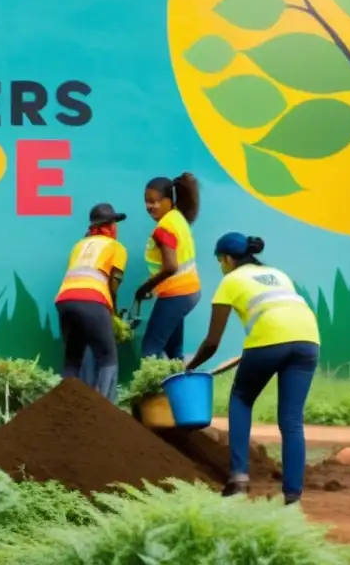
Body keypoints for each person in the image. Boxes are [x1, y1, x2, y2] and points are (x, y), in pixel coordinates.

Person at [186, 233, 320, 505]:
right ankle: (293, 498)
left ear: (227, 258)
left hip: (270, 339)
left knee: (242, 398)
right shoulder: (278, 274)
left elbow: (212, 342)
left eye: (219, 260)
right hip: (308, 339)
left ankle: (239, 479)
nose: (220, 265)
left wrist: (191, 366)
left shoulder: (230, 280)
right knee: (292, 420)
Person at [55, 203, 128, 401]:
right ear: (111, 226)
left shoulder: (78, 246)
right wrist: (112, 314)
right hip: (94, 301)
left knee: (72, 360)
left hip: (64, 301)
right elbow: (114, 283)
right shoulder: (116, 247)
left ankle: (62, 408)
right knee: (108, 358)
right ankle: (104, 412)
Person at [135, 173, 201, 359]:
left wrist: (145, 287)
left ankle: (150, 387)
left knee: (149, 350)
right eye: (147, 202)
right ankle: (178, 387)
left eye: (154, 201)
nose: (150, 206)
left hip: (176, 294)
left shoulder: (165, 227)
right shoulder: (178, 218)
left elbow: (171, 266)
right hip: (188, 292)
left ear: (167, 200)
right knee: (174, 351)